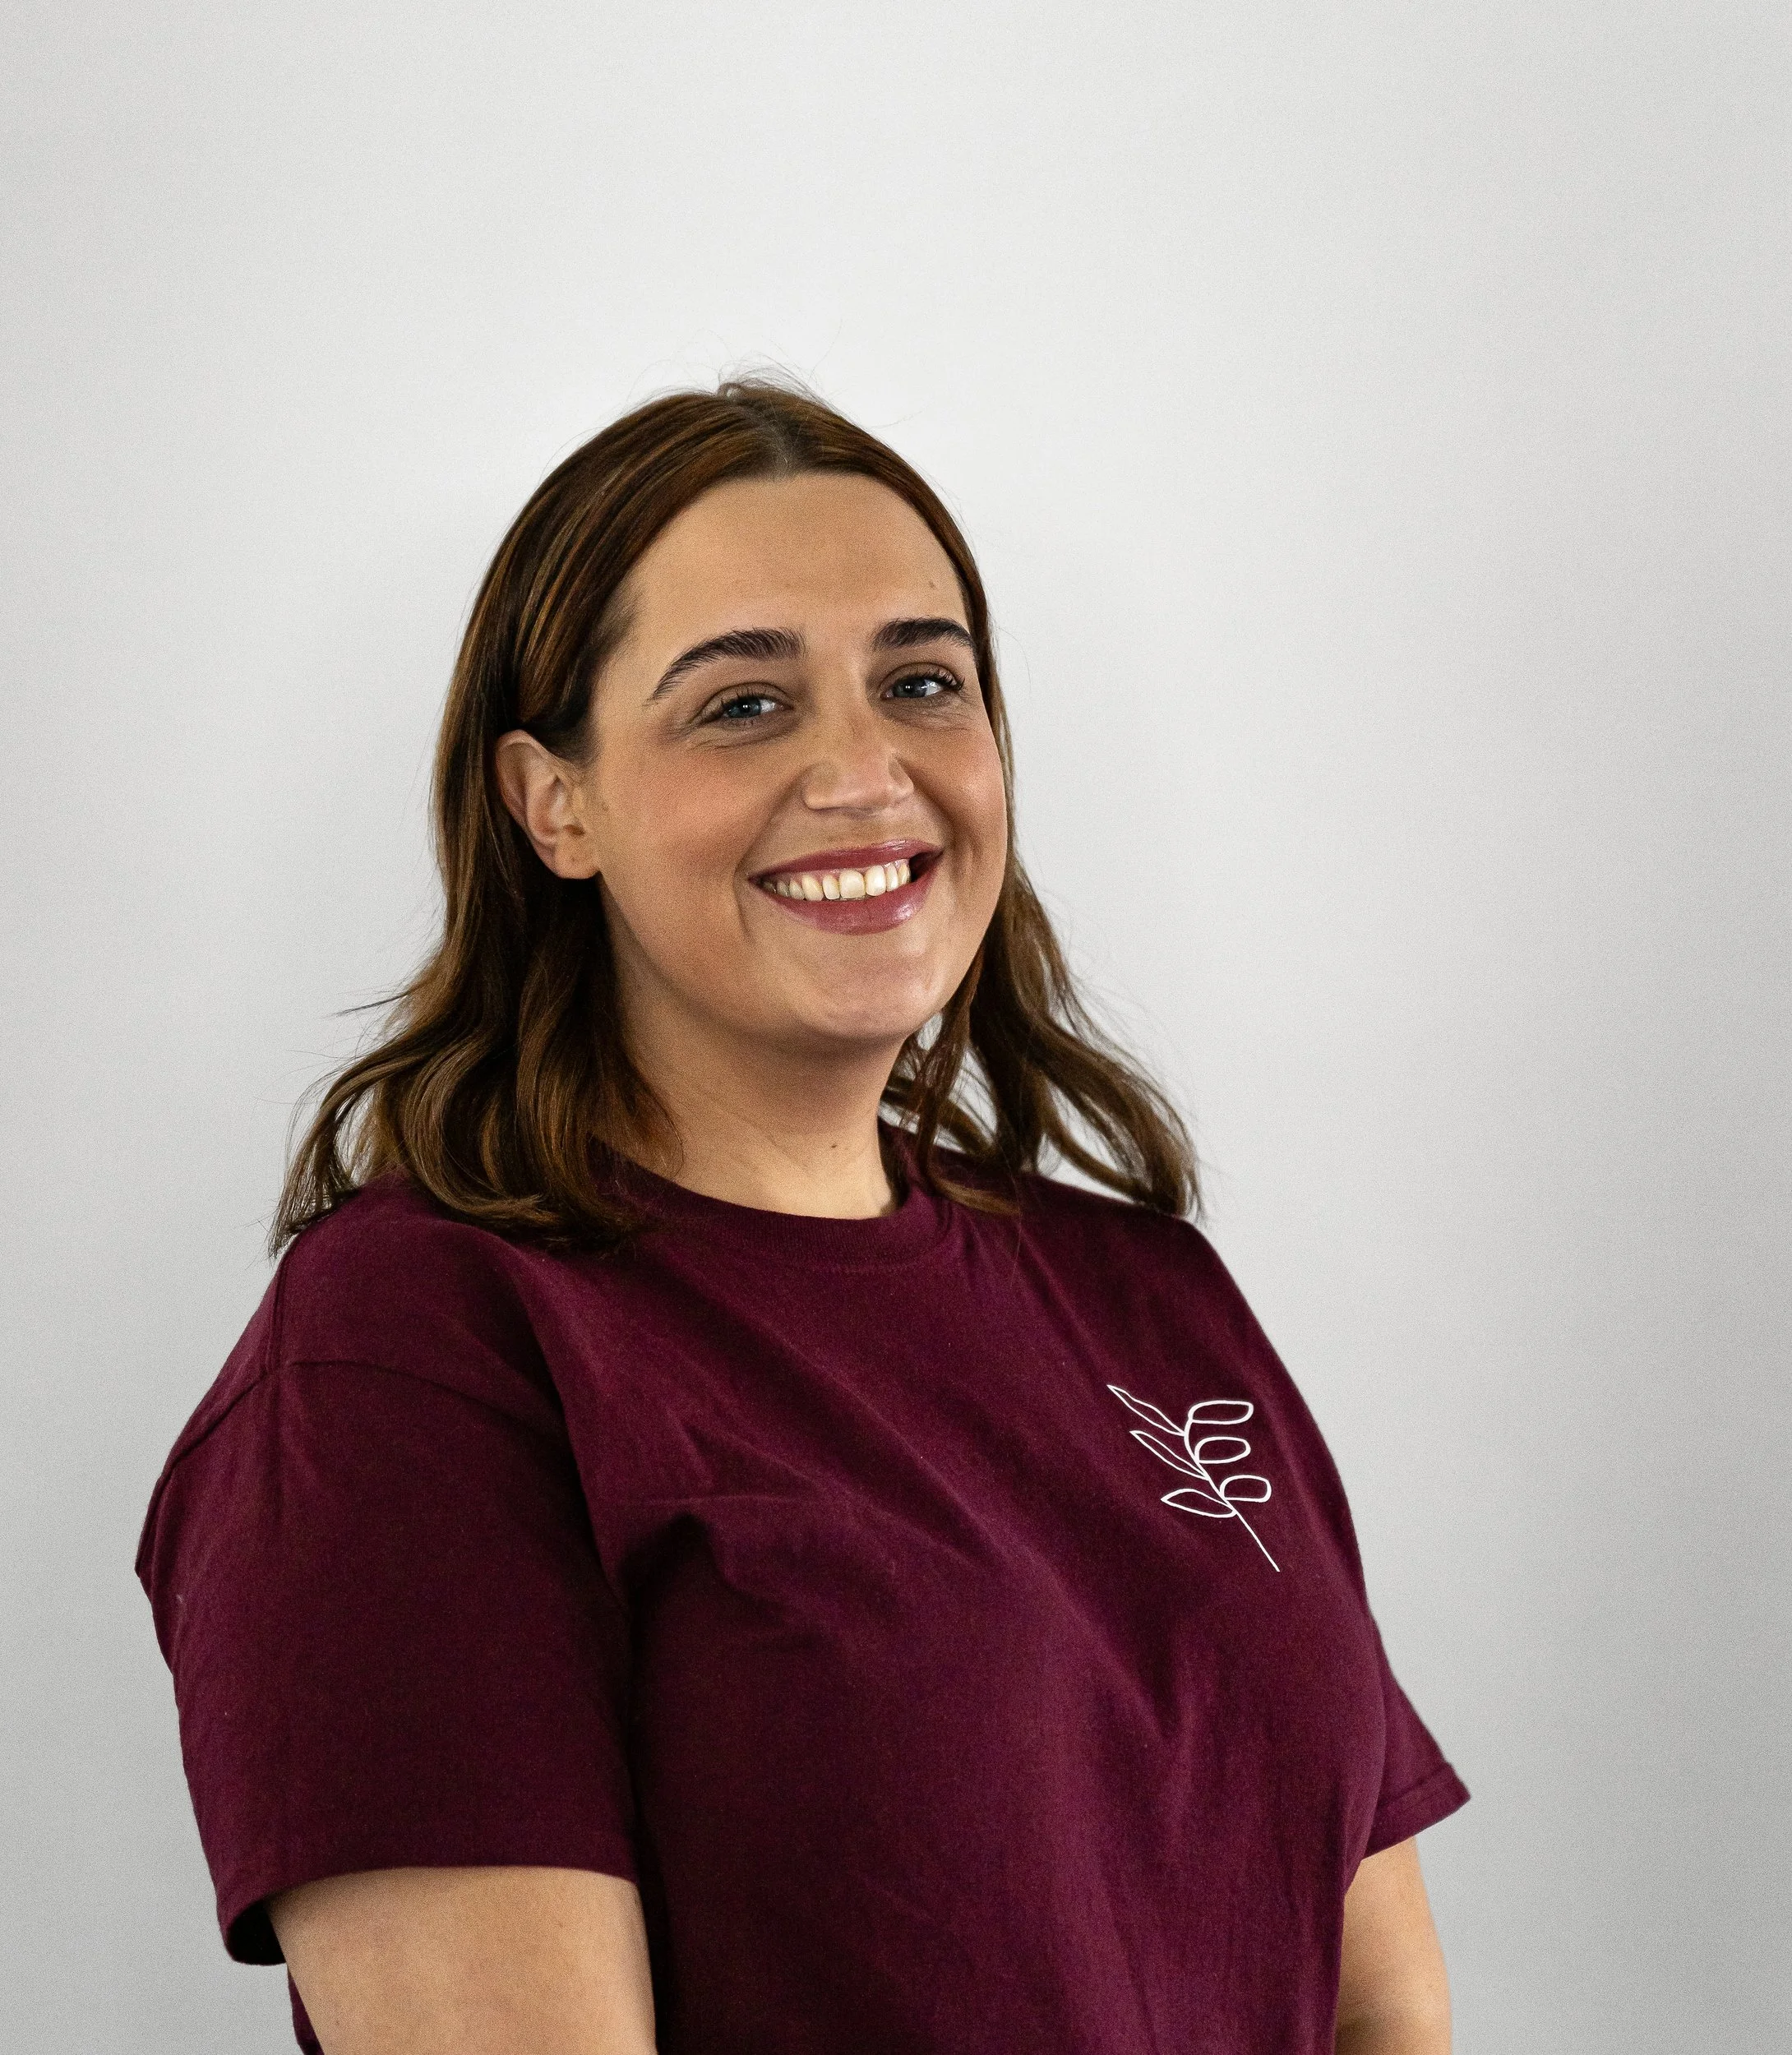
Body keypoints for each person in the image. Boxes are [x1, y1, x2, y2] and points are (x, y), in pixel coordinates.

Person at [136, 377, 1470, 2055]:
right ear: (553, 802)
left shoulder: (1149, 1295)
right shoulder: (411, 1350)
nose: (864, 769)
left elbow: (1382, 2000)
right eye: (742, 704)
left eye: (921, 681)